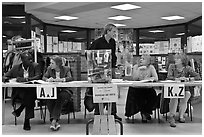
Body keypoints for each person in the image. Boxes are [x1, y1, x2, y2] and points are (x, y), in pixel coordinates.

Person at [86, 23, 122, 121]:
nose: (115, 33)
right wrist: (94, 66)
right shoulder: (97, 42)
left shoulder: (113, 42)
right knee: (99, 90)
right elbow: (89, 54)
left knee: (111, 90)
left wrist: (114, 67)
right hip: (98, 71)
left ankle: (113, 113)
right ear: (108, 31)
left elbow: (113, 56)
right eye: (114, 31)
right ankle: (98, 112)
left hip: (109, 70)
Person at [2, 51, 41, 130]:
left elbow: (38, 76)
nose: (31, 61)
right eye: (28, 59)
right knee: (30, 97)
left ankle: (22, 113)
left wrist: (26, 79)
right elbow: (4, 76)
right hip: (20, 91)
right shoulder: (16, 67)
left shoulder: (35, 65)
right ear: (22, 61)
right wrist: (8, 79)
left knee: (30, 94)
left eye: (31, 59)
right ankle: (26, 119)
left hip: (32, 91)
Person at [166, 53, 201, 127]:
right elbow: (169, 77)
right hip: (174, 87)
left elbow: (198, 76)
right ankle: (171, 116)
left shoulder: (187, 68)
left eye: (177, 59)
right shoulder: (171, 66)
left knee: (187, 95)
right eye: (175, 58)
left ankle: (181, 116)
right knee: (174, 96)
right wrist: (177, 79)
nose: (175, 60)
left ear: (182, 60)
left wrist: (188, 79)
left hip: (185, 88)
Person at [42, 56, 73, 131]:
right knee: (49, 99)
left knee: (60, 97)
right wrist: (48, 80)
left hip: (65, 90)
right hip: (53, 90)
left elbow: (70, 78)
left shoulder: (66, 69)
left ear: (58, 64)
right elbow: (44, 77)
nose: (50, 64)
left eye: (52, 63)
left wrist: (62, 79)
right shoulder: (49, 69)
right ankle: (55, 120)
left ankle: (53, 120)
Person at [125, 54, 158, 123]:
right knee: (139, 95)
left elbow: (156, 78)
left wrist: (150, 79)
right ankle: (144, 113)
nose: (141, 60)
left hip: (147, 88)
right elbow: (134, 78)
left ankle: (146, 112)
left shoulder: (151, 67)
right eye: (141, 58)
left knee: (152, 94)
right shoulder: (135, 67)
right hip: (137, 88)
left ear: (148, 61)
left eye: (143, 59)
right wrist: (138, 70)